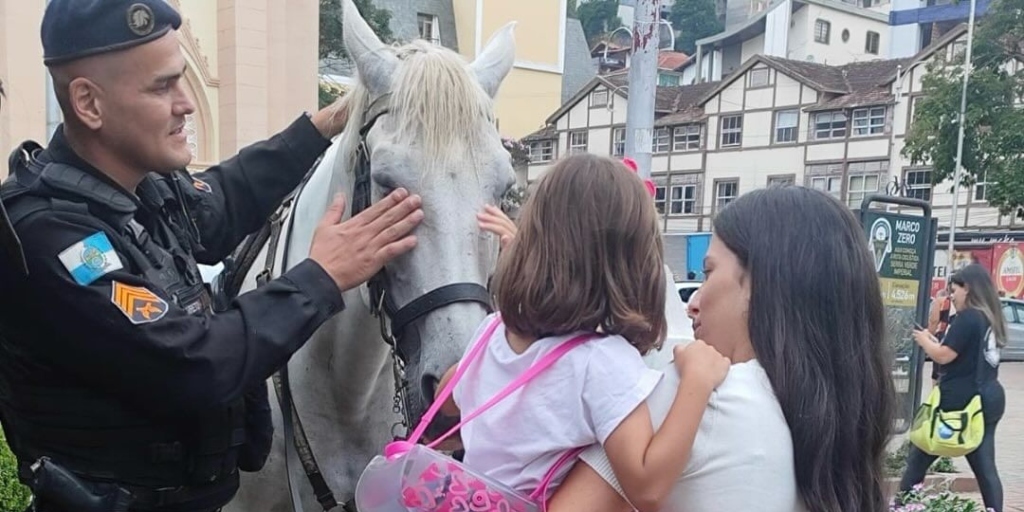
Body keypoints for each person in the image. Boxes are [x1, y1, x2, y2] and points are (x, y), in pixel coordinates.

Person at [0, 1, 423, 511]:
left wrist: (322, 125)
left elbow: (222, 201)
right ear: (89, 103)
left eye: (182, 80)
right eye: (162, 86)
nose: (186, 103)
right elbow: (193, 365)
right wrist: (321, 278)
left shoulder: (143, 192)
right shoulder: (52, 237)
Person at [544, 186, 896, 512]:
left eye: (709, 272)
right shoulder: (833, 435)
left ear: (757, 284)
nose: (694, 302)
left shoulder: (699, 395)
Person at [445, 154, 730, 512]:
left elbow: (449, 397)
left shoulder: (492, 330)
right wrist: (698, 382)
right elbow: (646, 485)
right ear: (633, 264)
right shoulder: (601, 361)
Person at [901, 264, 1006, 511]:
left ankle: (900, 506)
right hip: (988, 397)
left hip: (961, 402)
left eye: (954, 290)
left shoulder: (968, 317)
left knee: (919, 455)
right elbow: (965, 354)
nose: (951, 296)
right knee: (985, 466)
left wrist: (924, 340)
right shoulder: (989, 317)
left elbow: (944, 356)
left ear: (967, 288)